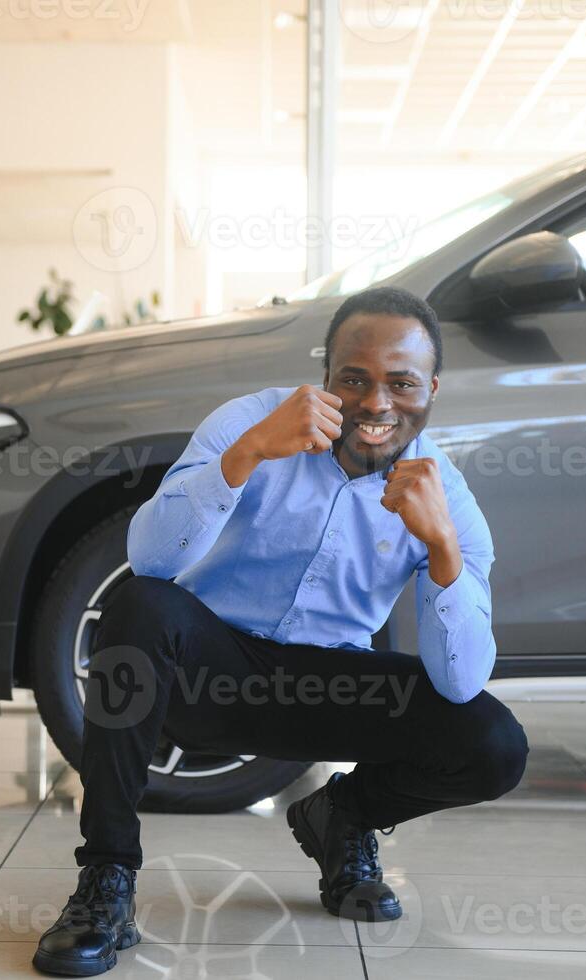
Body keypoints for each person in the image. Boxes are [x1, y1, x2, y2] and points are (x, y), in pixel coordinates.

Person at [32, 286, 529, 977]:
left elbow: (460, 679)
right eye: (354, 379)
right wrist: (247, 455)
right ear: (325, 374)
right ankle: (105, 884)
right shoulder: (250, 422)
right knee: (142, 606)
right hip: (206, 676)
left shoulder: (445, 493)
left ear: (431, 390)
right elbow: (149, 559)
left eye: (401, 384)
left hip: (328, 695)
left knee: (494, 744)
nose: (377, 404)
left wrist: (442, 549)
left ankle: (341, 819)